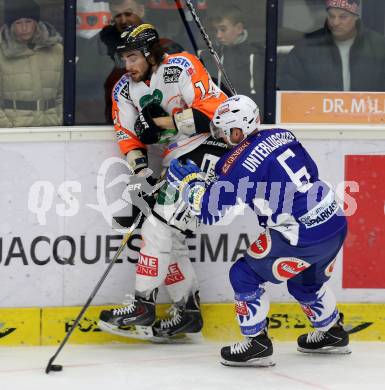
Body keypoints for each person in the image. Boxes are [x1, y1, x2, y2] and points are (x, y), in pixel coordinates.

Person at [167, 94, 350, 366]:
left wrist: (191, 184)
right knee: (304, 282)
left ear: (239, 129)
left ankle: (256, 343)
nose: (220, 136)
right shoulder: (283, 133)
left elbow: (209, 212)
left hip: (300, 234)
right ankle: (332, 332)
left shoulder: (235, 164)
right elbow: (309, 170)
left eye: (224, 131)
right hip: (334, 221)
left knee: (244, 275)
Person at [98, 24, 228, 340]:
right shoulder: (124, 89)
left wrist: (163, 123)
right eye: (122, 59)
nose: (126, 66)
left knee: (156, 227)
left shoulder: (180, 66)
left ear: (149, 53)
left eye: (132, 57)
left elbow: (215, 115)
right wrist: (142, 176)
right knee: (169, 236)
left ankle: (143, 303)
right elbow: (127, 137)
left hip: (209, 149)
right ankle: (187, 311)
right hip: (176, 161)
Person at [100, 0, 184, 122]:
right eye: (117, 15)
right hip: (119, 126)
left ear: (141, 10)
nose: (123, 20)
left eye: (128, 13)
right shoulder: (98, 46)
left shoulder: (167, 47)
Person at [279, 0, 385, 91]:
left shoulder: (379, 46)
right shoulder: (307, 46)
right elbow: (289, 86)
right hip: (317, 113)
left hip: (369, 114)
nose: (335, 22)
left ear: (356, 16)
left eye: (343, 17)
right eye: (331, 16)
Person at [0, 0, 63, 127]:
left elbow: (63, 93)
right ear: (11, 25)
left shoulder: (57, 50)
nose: (24, 28)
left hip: (51, 126)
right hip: (14, 127)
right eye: (18, 23)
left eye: (28, 21)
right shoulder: (1, 52)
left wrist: (59, 118)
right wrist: (5, 124)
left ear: (36, 23)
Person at [200, 5, 265, 115]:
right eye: (215, 30)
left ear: (239, 28)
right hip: (216, 117)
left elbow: (261, 96)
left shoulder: (256, 55)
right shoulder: (209, 56)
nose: (218, 35)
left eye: (223, 29)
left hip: (249, 118)